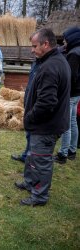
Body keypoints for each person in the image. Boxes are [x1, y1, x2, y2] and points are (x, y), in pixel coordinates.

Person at [15, 28, 71, 206]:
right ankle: (30, 182)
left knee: (41, 160)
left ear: (45, 44)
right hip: (44, 124)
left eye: (34, 46)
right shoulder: (52, 61)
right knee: (33, 156)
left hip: (46, 125)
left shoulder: (51, 66)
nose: (32, 50)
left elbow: (46, 103)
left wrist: (29, 117)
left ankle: (39, 196)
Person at [54, 26, 80, 164]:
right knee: (73, 122)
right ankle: (72, 150)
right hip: (77, 94)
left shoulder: (74, 54)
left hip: (70, 94)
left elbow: (70, 76)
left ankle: (63, 154)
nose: (64, 42)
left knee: (66, 124)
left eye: (66, 39)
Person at [11, 62, 39, 163]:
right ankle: (26, 155)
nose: (32, 50)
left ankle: (30, 159)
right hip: (29, 103)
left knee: (33, 135)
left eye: (35, 47)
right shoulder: (36, 63)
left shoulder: (46, 64)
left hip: (35, 106)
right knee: (29, 134)